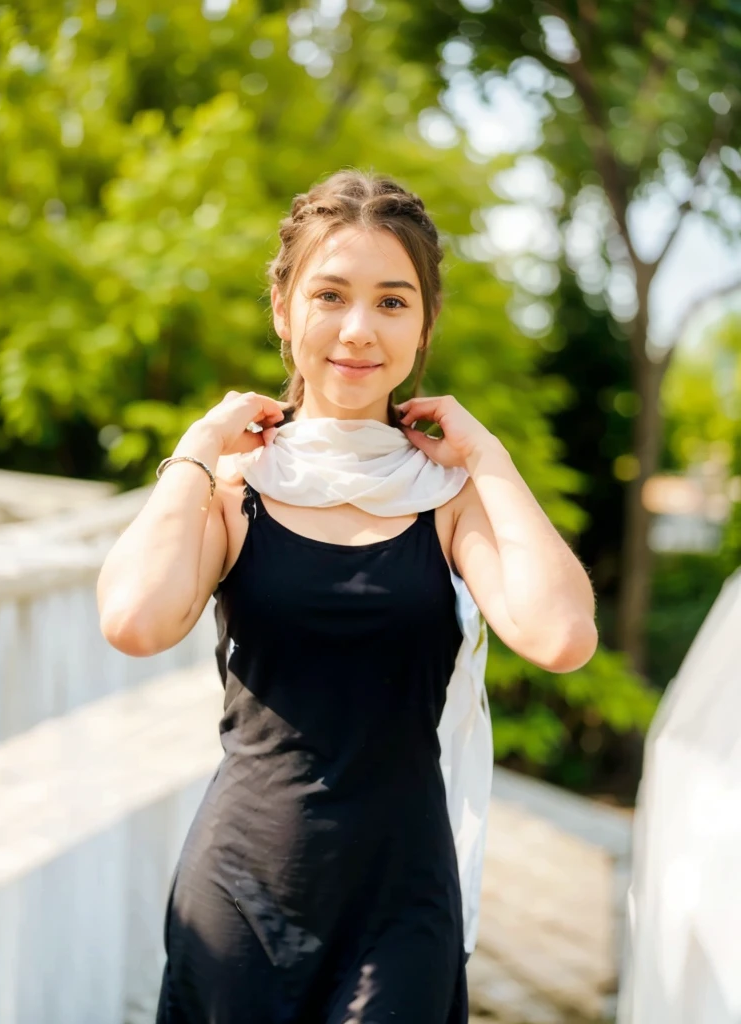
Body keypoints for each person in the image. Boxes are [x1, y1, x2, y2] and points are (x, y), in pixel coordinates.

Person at [97, 170, 598, 1024]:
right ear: (285, 309)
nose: (359, 330)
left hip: (401, 903)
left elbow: (559, 637)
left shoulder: (446, 499)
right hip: (241, 892)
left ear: (424, 326)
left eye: (394, 303)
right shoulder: (232, 487)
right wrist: (195, 449)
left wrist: (491, 460)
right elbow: (136, 620)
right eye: (330, 294)